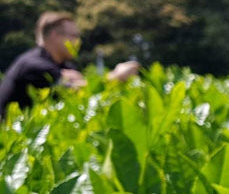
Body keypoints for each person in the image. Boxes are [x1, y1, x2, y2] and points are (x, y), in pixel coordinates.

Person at [0, 12, 140, 119]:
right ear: (55, 35)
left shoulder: (65, 65)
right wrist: (116, 77)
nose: (78, 41)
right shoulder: (32, 65)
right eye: (74, 36)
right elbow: (78, 90)